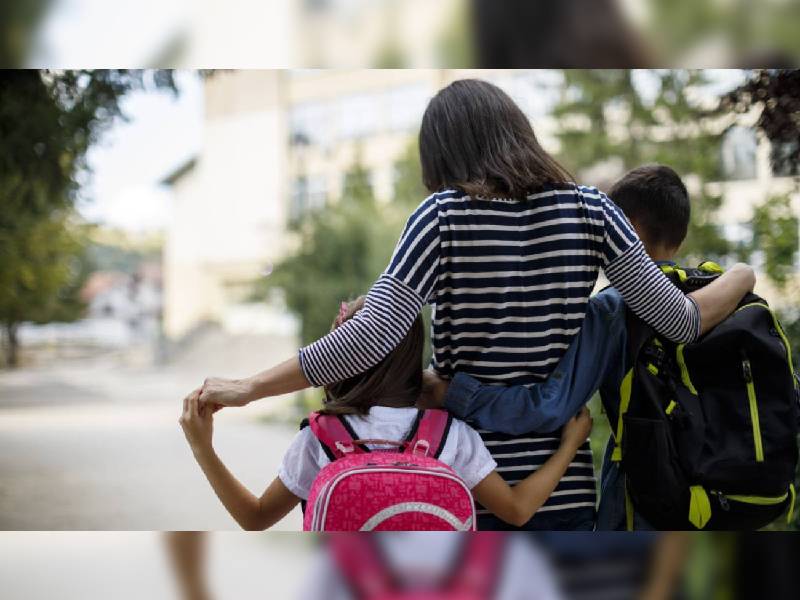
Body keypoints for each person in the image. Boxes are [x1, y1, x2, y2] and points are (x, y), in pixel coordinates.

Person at [196, 80, 755, 530]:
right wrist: (742, 274)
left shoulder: (441, 216)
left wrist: (249, 387)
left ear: (442, 154)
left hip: (462, 482)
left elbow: (370, 336)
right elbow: (682, 322)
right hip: (564, 486)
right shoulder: (592, 210)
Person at [419, 164, 757, 530]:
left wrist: (452, 393)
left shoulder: (613, 309)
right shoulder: (715, 296)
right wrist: (743, 272)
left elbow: (549, 406)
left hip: (646, 496)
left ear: (623, 225)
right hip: (723, 491)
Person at [180, 297, 593, 530]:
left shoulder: (319, 438)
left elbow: (254, 519)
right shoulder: (450, 434)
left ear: (337, 358)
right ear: (415, 356)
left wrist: (203, 449)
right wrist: (569, 446)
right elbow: (518, 510)